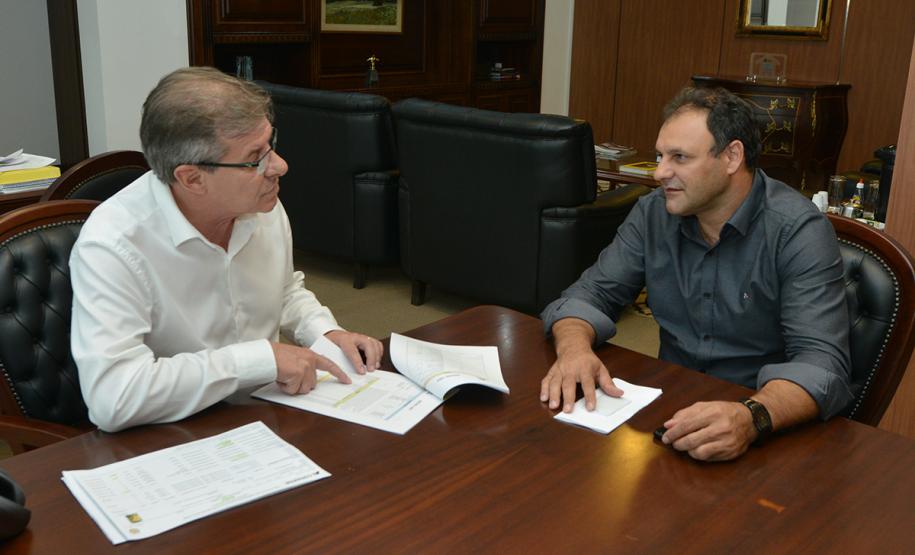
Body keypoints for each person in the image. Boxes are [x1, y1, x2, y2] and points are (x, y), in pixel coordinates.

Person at [540, 86, 853, 461]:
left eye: (680, 157)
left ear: (731, 157)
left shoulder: (797, 230)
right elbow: (588, 295)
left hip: (764, 422)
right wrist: (574, 350)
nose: (660, 172)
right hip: (672, 408)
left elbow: (821, 363)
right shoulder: (653, 213)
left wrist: (751, 416)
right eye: (660, 156)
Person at [70, 67, 383, 432]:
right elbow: (114, 398)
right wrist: (258, 361)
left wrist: (325, 333)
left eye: (271, 145)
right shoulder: (113, 245)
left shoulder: (260, 205)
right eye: (255, 158)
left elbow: (283, 291)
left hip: (270, 411)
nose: (279, 166)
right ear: (192, 178)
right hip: (174, 433)